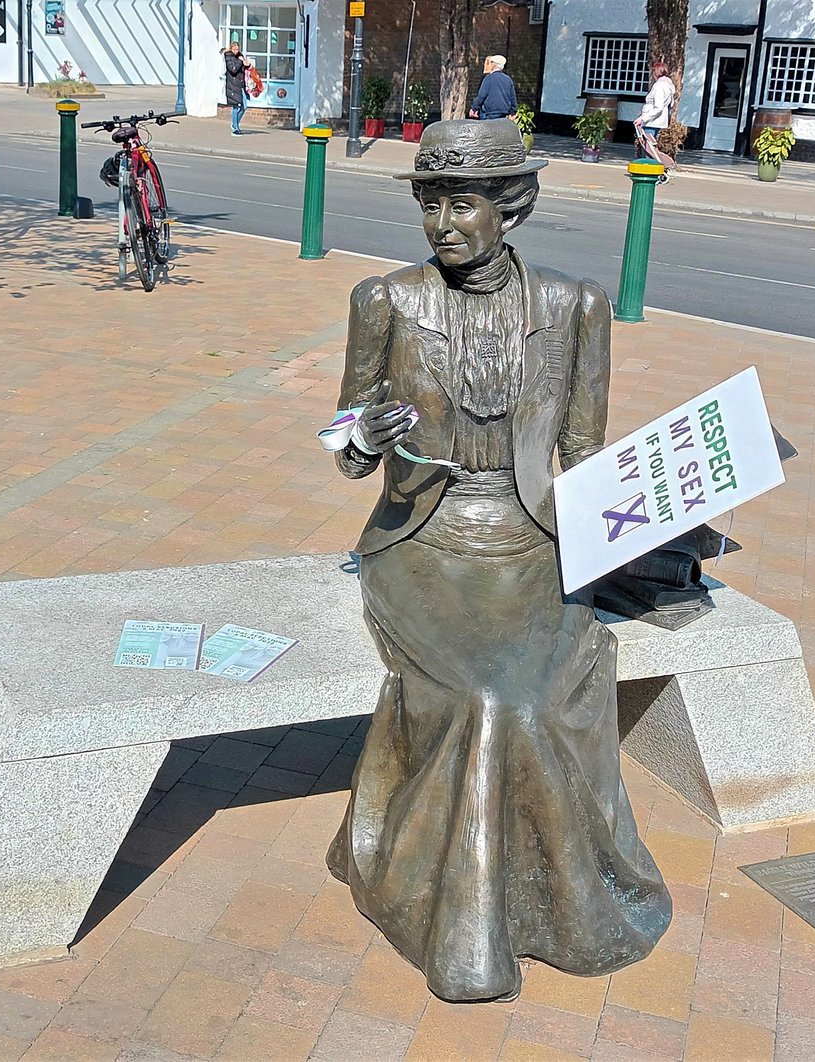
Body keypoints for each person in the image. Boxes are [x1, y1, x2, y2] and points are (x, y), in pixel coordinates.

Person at [323, 118, 671, 1004]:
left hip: (533, 541)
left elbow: (584, 454)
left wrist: (652, 523)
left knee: (537, 691)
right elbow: (346, 448)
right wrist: (365, 439)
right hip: (423, 539)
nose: (441, 224)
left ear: (509, 208)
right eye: (430, 204)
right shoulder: (386, 301)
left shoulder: (574, 307)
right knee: (482, 695)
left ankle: (557, 907)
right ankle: (461, 930)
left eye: (462, 204)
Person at [633, 60, 676, 177]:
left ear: (657, 72)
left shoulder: (659, 86)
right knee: (650, 147)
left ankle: (649, 171)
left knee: (648, 148)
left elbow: (658, 107)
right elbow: (670, 105)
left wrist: (643, 118)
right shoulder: (668, 86)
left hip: (652, 121)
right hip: (658, 120)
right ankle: (652, 170)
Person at [468, 55, 518, 121]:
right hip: (503, 114)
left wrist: (474, 108)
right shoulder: (508, 79)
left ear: (493, 65)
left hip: (489, 114)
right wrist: (513, 112)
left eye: (491, 63)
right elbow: (512, 98)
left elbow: (482, 96)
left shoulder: (488, 78)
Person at [223, 40, 251, 136]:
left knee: (244, 106)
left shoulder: (240, 56)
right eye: (235, 49)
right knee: (236, 106)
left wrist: (247, 64)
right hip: (233, 85)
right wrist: (240, 61)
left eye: (237, 49)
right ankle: (235, 128)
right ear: (231, 49)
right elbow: (233, 69)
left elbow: (243, 68)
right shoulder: (228, 57)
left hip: (241, 85)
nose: (236, 51)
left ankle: (235, 123)